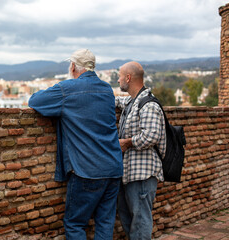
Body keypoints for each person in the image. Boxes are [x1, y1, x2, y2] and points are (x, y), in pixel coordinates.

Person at [28, 49, 123, 240]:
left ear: (73, 67)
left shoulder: (67, 89)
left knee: (75, 223)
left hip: (87, 169)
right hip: (113, 166)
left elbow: (35, 101)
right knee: (105, 222)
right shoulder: (107, 90)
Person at [115, 61, 166, 240]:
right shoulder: (132, 101)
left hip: (142, 175)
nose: (118, 79)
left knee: (141, 220)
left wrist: (127, 143)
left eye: (120, 76)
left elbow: (152, 136)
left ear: (128, 78)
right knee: (128, 218)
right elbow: (117, 100)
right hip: (130, 173)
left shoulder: (148, 104)